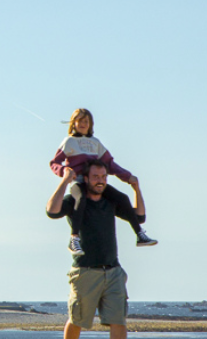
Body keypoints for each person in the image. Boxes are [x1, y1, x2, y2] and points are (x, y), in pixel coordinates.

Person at [46, 158, 146, 339]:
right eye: (95, 177)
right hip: (85, 270)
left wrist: (137, 188)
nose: (100, 181)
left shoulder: (110, 201)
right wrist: (65, 181)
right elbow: (51, 211)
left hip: (113, 270)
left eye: (103, 177)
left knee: (118, 321)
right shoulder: (75, 200)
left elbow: (139, 216)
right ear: (86, 178)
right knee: (77, 319)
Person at [49, 108, 156, 255]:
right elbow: (55, 162)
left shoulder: (95, 143)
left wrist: (127, 176)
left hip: (95, 183)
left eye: (86, 121)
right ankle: (74, 238)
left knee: (122, 198)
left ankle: (140, 235)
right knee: (80, 200)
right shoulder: (69, 142)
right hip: (79, 182)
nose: (82, 124)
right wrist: (64, 172)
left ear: (90, 124)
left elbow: (109, 164)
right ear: (73, 123)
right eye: (79, 121)